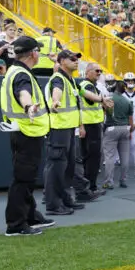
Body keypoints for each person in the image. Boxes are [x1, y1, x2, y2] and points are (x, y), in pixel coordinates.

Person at [0, 35, 56, 236]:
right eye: (38, 51)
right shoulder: (21, 75)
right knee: (23, 179)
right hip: (26, 132)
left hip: (25, 131)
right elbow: (23, 93)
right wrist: (28, 105)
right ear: (33, 53)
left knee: (27, 178)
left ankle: (30, 215)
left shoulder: (17, 71)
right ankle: (15, 224)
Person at [43, 50, 85, 216]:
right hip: (59, 128)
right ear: (61, 61)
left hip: (68, 128)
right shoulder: (59, 78)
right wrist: (55, 101)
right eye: (72, 59)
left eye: (77, 59)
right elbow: (57, 92)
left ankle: (65, 199)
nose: (76, 61)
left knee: (67, 167)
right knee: (56, 167)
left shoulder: (71, 80)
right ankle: (53, 205)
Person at [77, 63, 110, 199]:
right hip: (91, 125)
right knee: (93, 158)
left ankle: (87, 187)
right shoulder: (87, 86)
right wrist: (102, 101)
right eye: (97, 70)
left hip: (90, 125)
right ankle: (91, 187)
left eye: (101, 71)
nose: (99, 73)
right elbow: (91, 101)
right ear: (88, 71)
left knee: (88, 158)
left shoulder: (90, 86)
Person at [101, 78, 134, 189]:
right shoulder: (128, 101)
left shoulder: (109, 99)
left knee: (110, 157)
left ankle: (109, 182)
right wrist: (130, 131)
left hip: (112, 128)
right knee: (125, 156)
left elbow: (104, 114)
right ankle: (123, 180)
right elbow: (131, 119)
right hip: (125, 128)